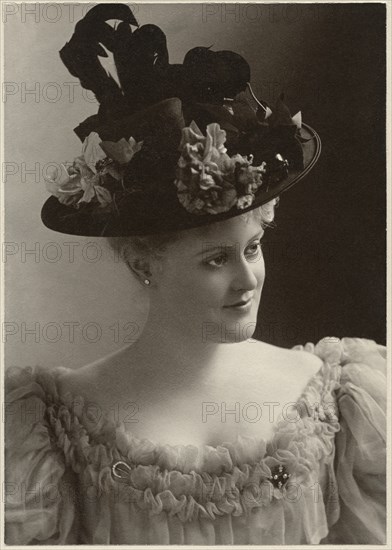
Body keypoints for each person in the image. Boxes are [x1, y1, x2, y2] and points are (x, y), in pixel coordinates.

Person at [4, 4, 386, 545]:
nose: (247, 279)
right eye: (215, 259)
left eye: (252, 248)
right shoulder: (53, 420)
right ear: (143, 264)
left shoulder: (336, 399)